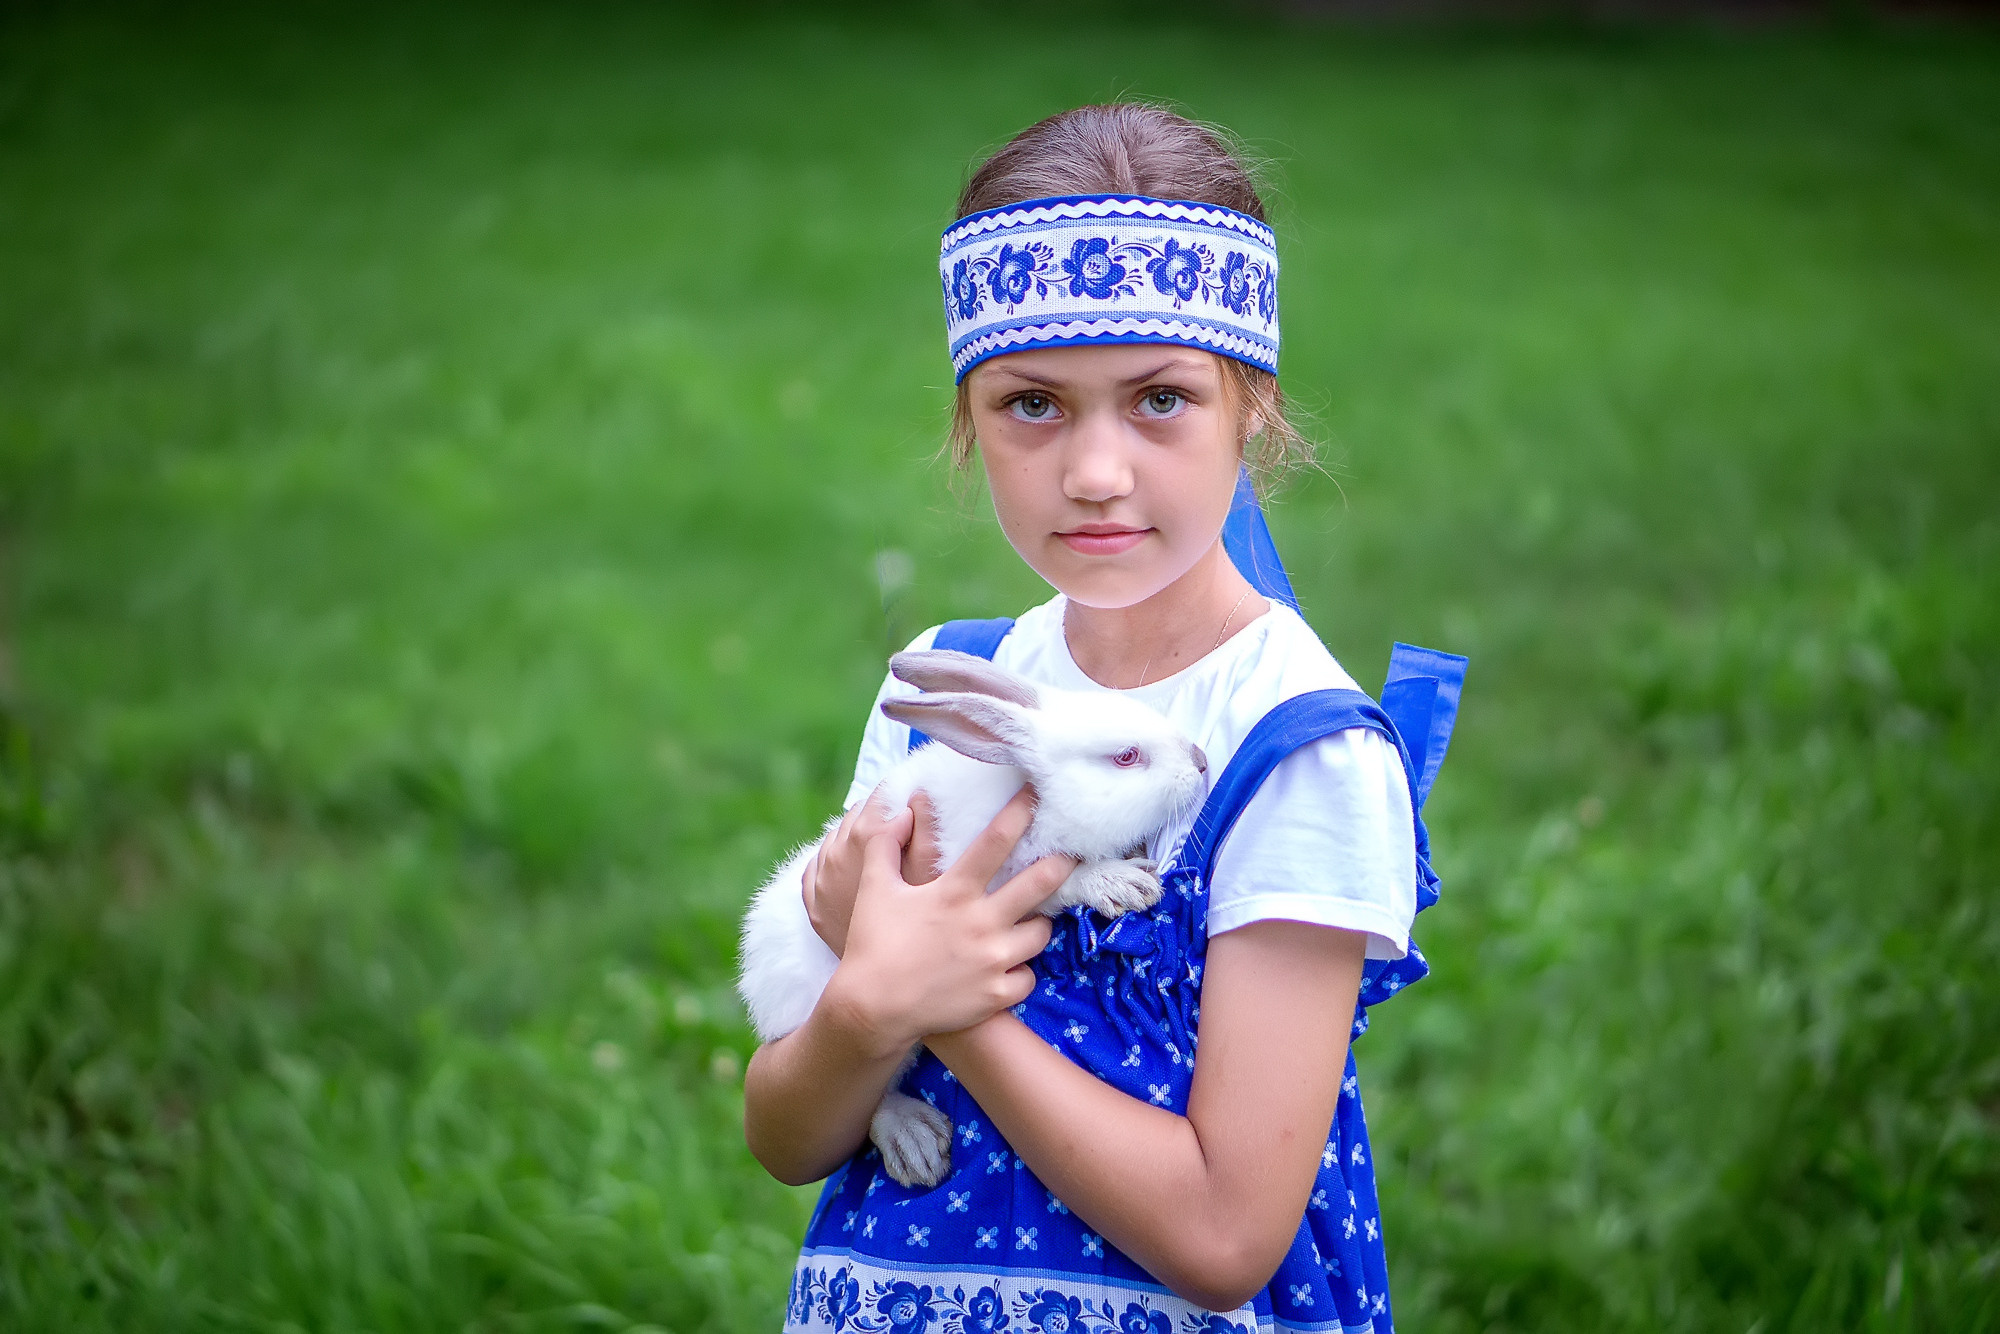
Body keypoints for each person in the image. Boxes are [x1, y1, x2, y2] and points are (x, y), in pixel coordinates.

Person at [743, 102, 1463, 1334]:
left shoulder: (1300, 747)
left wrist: (946, 1006)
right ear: (967, 418)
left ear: (1255, 406)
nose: (1093, 471)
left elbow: (1226, 1235)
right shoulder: (944, 681)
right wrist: (864, 1008)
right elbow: (788, 1132)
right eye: (1032, 403)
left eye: (1158, 400)